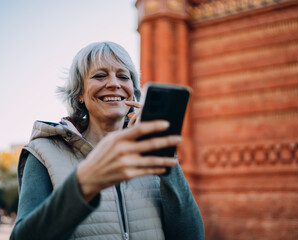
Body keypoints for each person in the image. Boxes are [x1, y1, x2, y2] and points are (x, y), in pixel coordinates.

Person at [10, 41, 204, 240]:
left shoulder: (152, 153)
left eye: (123, 76)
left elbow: (192, 236)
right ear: (79, 94)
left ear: (133, 91)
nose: (114, 83)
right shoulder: (43, 152)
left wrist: (164, 150)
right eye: (100, 75)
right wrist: (84, 185)